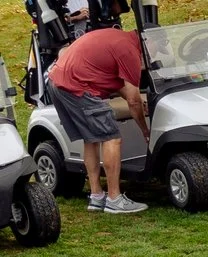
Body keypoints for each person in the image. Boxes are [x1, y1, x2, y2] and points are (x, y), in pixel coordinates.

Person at [45, 23, 148, 214]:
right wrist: (145, 130)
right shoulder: (130, 52)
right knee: (111, 138)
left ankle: (96, 196)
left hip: (57, 82)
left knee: (91, 139)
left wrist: (134, 101)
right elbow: (134, 101)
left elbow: (113, 81)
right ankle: (114, 199)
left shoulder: (118, 38)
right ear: (146, 42)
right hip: (77, 86)